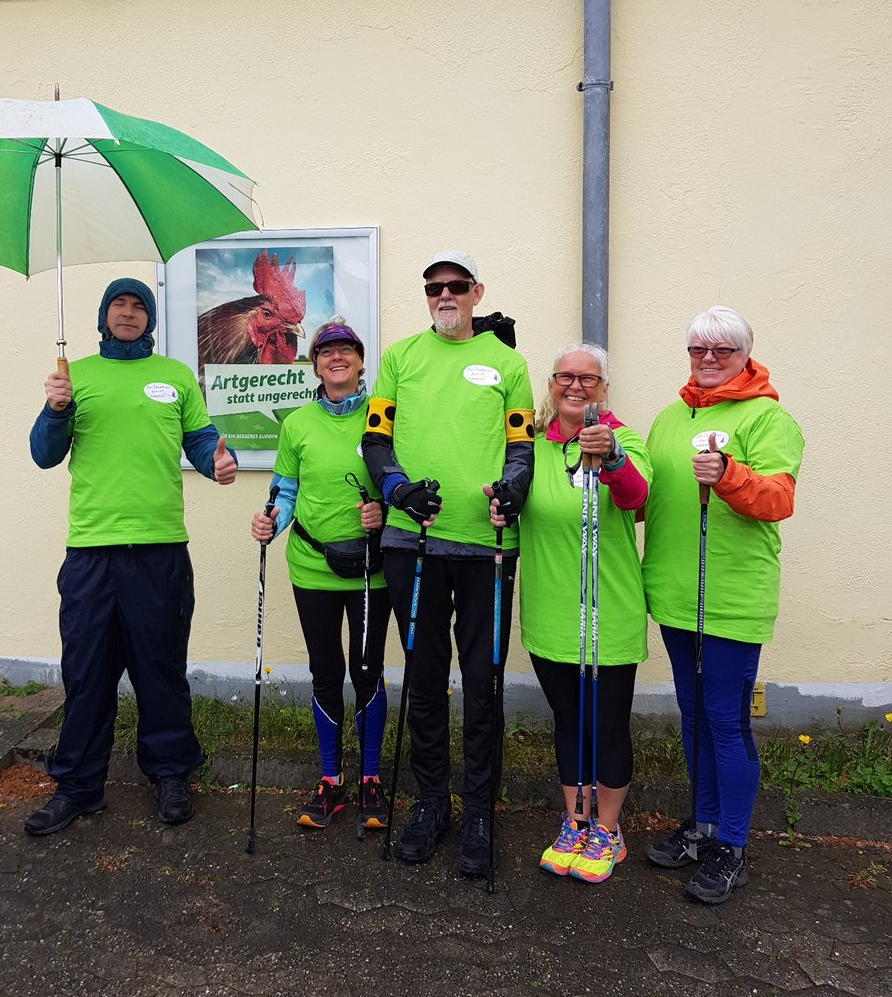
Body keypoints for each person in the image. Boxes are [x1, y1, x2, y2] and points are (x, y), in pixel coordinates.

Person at [24, 278, 238, 837]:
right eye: (118, 303)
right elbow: (44, 456)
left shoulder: (174, 377)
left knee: (160, 669)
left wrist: (218, 459)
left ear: (151, 319)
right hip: (91, 552)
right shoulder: (75, 377)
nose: (128, 312)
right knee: (87, 674)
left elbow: (200, 440)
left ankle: (169, 774)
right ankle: (77, 786)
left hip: (160, 549)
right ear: (102, 314)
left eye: (138, 305)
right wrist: (53, 410)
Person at [362, 251, 534, 880]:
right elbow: (375, 440)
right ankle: (432, 804)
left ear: (476, 292)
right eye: (433, 287)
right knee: (426, 680)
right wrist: (398, 489)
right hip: (415, 544)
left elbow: (522, 446)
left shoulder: (508, 362)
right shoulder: (400, 357)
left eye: (455, 287)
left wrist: (513, 490)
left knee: (483, 683)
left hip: (486, 548)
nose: (443, 295)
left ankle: (481, 810)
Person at [642, 306, 804, 904]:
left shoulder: (768, 418)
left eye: (722, 350)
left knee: (726, 722)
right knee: (692, 715)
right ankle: (703, 824)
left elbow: (777, 498)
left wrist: (731, 474)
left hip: (732, 599)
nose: (708, 359)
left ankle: (732, 844)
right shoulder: (667, 418)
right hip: (676, 596)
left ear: (745, 355)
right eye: (697, 350)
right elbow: (647, 498)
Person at [251, 317, 392, 829]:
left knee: (367, 669)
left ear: (359, 361)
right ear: (314, 364)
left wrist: (385, 513)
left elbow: (400, 483)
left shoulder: (383, 419)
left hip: (370, 572)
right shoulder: (297, 424)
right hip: (311, 567)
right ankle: (331, 781)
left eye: (347, 350)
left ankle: (372, 779)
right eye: (326, 351)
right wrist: (270, 520)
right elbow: (285, 491)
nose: (337, 358)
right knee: (325, 670)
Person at [519, 344, 651, 883]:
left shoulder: (626, 439)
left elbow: (638, 497)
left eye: (588, 379)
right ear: (551, 384)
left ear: (604, 388)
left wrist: (612, 455)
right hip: (550, 613)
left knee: (607, 725)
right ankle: (575, 820)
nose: (575, 387)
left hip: (608, 614)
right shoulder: (530, 444)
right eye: (564, 377)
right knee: (569, 721)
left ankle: (609, 829)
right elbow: (513, 495)